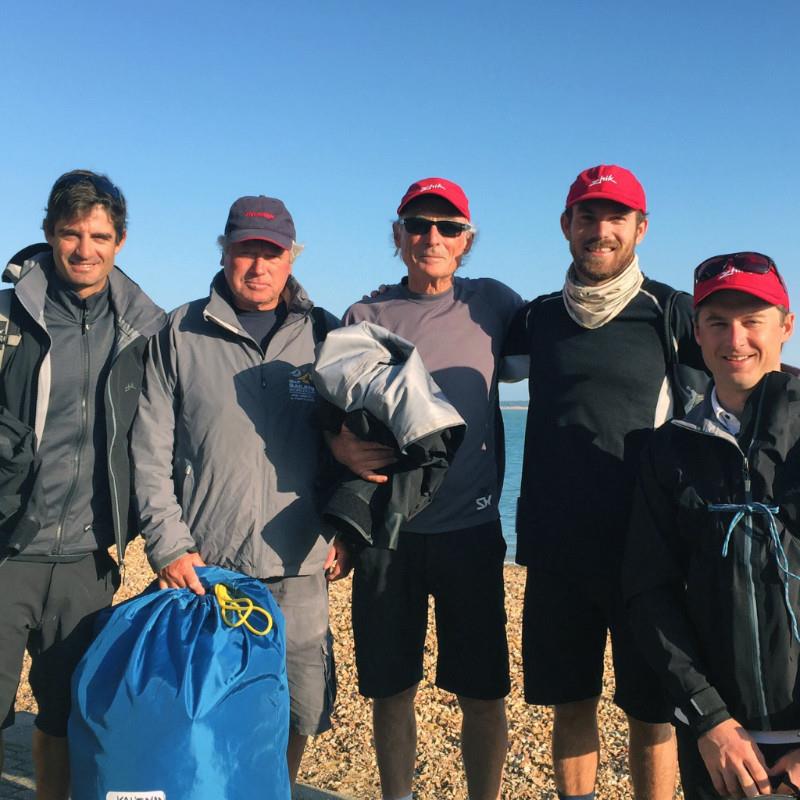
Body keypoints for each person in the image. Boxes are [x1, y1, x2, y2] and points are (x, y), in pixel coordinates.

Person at [505, 165, 708, 800]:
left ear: (640, 229)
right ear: (567, 226)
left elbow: (739, 382)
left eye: (616, 217)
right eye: (587, 216)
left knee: (651, 714)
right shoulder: (537, 318)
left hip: (647, 553)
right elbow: (457, 365)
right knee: (571, 703)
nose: (600, 230)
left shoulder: (671, 313)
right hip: (557, 547)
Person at [130, 195, 342, 785]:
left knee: (299, 709)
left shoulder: (324, 334)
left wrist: (348, 528)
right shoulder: (180, 330)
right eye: (246, 249)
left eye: (271, 252)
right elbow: (150, 449)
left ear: (291, 257)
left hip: (300, 563)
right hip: (207, 565)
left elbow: (354, 443)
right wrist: (169, 545)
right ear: (224, 252)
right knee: (203, 707)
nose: (258, 265)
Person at [329, 177, 525, 800]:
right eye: (418, 224)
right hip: (389, 533)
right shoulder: (365, 315)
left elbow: (565, 354)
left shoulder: (493, 303)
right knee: (390, 689)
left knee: (484, 691)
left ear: (466, 240)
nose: (431, 237)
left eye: (447, 226)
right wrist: (337, 445)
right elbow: (321, 401)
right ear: (398, 236)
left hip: (471, 530)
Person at [0, 170, 165, 800]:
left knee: (64, 712)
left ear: (120, 240)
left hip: (89, 558)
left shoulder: (146, 332)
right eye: (71, 233)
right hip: (9, 545)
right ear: (49, 234)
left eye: (99, 235)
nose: (84, 248)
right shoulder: (12, 317)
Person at [624, 253, 800, 800]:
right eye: (718, 322)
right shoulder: (668, 449)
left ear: (786, 325)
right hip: (722, 744)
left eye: (753, 319)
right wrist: (709, 718)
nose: (736, 339)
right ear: (696, 332)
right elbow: (649, 591)